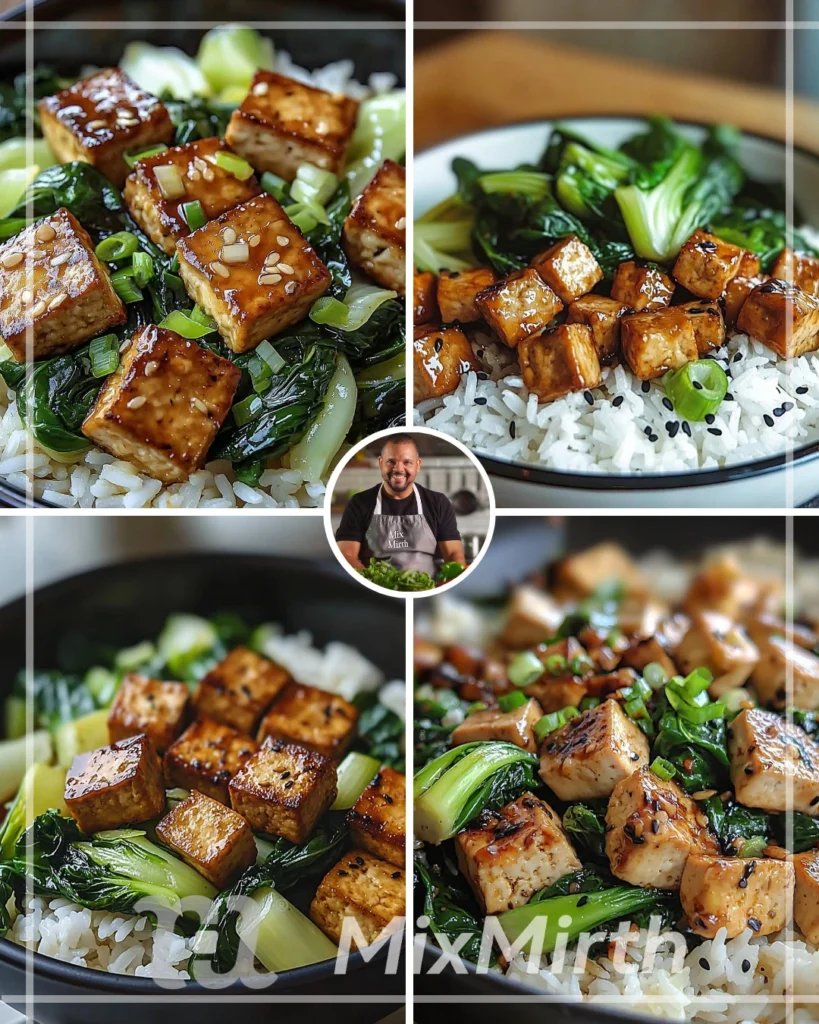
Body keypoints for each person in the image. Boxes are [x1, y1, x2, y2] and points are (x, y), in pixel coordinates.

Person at [335, 434, 466, 577]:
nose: (398, 469)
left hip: (426, 587)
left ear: (418, 465)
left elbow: (454, 554)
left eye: (407, 462)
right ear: (380, 463)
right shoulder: (359, 503)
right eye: (391, 461)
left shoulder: (438, 502)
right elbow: (346, 555)